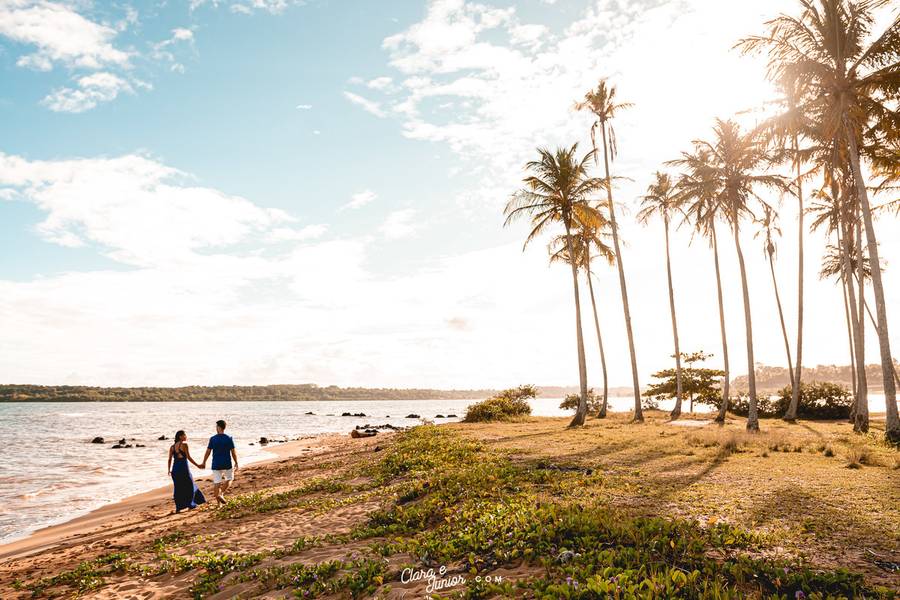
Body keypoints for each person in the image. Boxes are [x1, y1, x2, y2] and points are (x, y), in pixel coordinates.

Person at [167, 430, 206, 513]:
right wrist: (197, 465)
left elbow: (169, 459)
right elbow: (188, 457)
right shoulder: (184, 445)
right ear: (180, 436)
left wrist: (169, 470)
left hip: (175, 470)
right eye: (184, 435)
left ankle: (179, 507)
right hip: (183, 469)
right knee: (190, 485)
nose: (186, 437)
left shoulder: (172, 447)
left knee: (178, 488)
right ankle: (190, 504)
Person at [201, 419, 238, 504]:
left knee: (217, 483)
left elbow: (208, 451)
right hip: (226, 463)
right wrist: (236, 462)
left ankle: (218, 504)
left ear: (219, 427)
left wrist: (204, 462)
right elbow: (233, 452)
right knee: (229, 478)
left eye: (216, 426)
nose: (216, 428)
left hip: (216, 464)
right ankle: (221, 493)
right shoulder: (228, 438)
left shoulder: (213, 439)